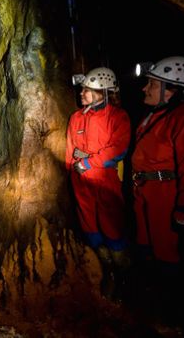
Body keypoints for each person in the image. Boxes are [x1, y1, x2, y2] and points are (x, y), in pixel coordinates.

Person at [131, 56, 184, 324]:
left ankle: (172, 313)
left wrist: (182, 206)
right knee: (147, 245)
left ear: (171, 90)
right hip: (145, 190)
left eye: (152, 84)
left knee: (167, 251)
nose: (144, 89)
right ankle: (151, 302)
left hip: (166, 193)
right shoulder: (154, 115)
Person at [66, 67, 131, 299]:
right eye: (82, 89)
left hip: (104, 180)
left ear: (102, 92)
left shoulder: (117, 117)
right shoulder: (76, 117)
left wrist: (90, 164)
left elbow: (118, 149)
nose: (81, 93)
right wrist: (70, 173)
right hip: (81, 181)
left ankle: (123, 274)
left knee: (112, 225)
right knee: (90, 227)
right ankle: (107, 270)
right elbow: (69, 150)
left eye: (87, 90)